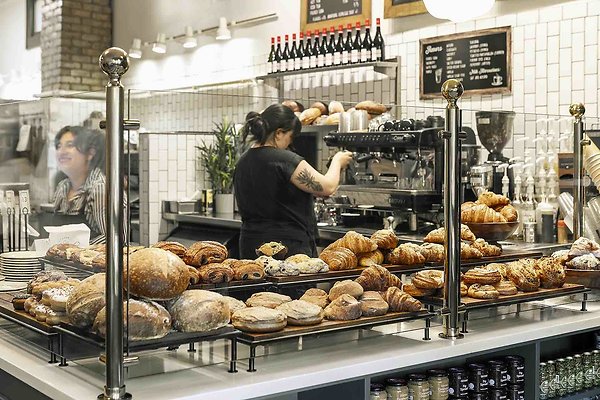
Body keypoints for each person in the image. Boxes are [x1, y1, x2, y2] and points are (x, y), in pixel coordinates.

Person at [234, 104, 353, 259]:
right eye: (290, 138)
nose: (290, 145)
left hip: (250, 246)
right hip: (286, 250)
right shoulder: (285, 160)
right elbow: (328, 187)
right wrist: (338, 160)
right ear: (279, 133)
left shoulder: (243, 161)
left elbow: (273, 194)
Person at [53, 125, 107, 244]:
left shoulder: (100, 189)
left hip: (91, 261)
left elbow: (114, 238)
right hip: (64, 261)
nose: (61, 151)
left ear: (90, 153)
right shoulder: (63, 187)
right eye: (58, 146)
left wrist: (75, 250)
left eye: (70, 145)